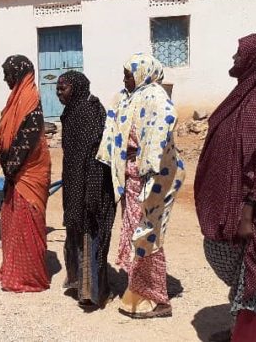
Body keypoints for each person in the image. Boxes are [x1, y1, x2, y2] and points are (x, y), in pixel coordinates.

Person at [195, 33, 256, 341]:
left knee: (253, 271)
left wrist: (249, 213)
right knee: (227, 259)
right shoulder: (242, 97)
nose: (234, 59)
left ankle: (250, 336)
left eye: (240, 55)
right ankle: (241, 328)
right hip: (227, 204)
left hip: (250, 212)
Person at [96, 53, 184, 319]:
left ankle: (157, 299)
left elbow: (165, 122)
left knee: (147, 235)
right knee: (137, 232)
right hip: (130, 178)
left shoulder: (155, 96)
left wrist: (147, 161)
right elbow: (113, 128)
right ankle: (139, 290)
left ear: (144, 72)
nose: (125, 78)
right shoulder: (127, 96)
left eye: (128, 73)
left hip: (152, 179)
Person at [0, 55, 51, 293]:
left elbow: (27, 141)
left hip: (27, 175)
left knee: (26, 225)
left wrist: (10, 170)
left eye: (7, 74)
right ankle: (15, 270)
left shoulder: (30, 101)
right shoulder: (17, 100)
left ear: (19, 74)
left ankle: (30, 277)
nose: (4, 78)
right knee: (14, 225)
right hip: (16, 175)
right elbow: (11, 128)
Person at [56, 70, 115, 307]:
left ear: (77, 87)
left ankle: (91, 291)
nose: (59, 92)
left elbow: (95, 155)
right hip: (74, 181)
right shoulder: (70, 111)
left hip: (92, 182)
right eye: (58, 87)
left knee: (90, 229)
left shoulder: (91, 111)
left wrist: (91, 192)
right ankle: (76, 282)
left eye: (64, 87)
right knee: (75, 228)